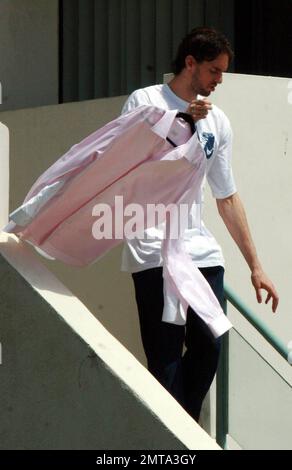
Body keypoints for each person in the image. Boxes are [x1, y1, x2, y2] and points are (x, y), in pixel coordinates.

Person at [120, 27, 279, 422]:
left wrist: (256, 266)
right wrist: (180, 121)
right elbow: (128, 162)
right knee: (166, 356)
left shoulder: (218, 122)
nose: (219, 81)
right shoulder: (145, 100)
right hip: (152, 245)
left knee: (211, 341)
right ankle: (176, 438)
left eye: (223, 72)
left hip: (198, 249)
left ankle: (181, 428)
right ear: (190, 62)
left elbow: (227, 196)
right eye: (214, 70)